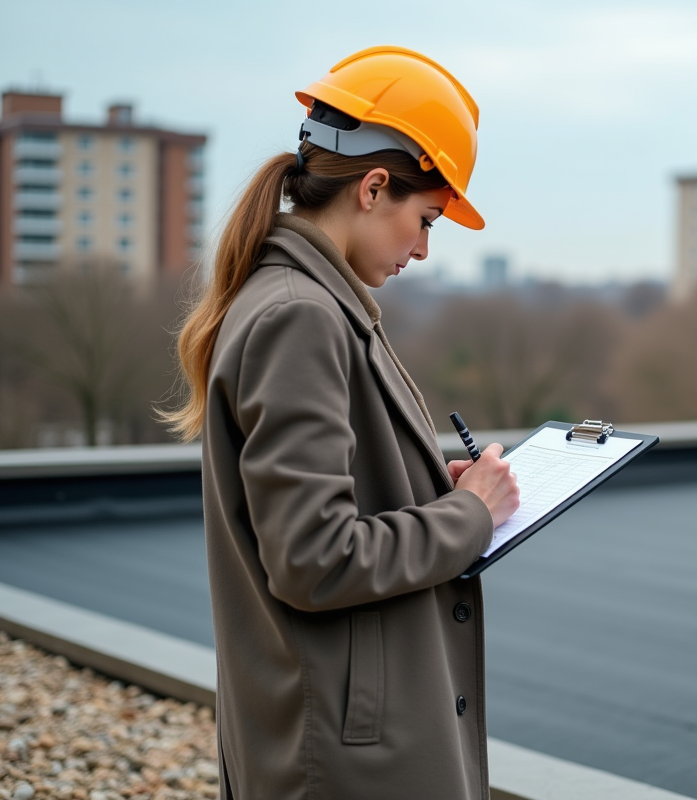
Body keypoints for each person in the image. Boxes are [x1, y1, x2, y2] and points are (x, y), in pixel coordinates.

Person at [162, 46, 520, 799]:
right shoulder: (301, 317)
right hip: (342, 757)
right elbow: (315, 557)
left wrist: (429, 487)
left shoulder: (314, 303)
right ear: (373, 186)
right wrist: (467, 516)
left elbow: (327, 506)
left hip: (335, 734)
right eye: (424, 219)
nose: (423, 248)